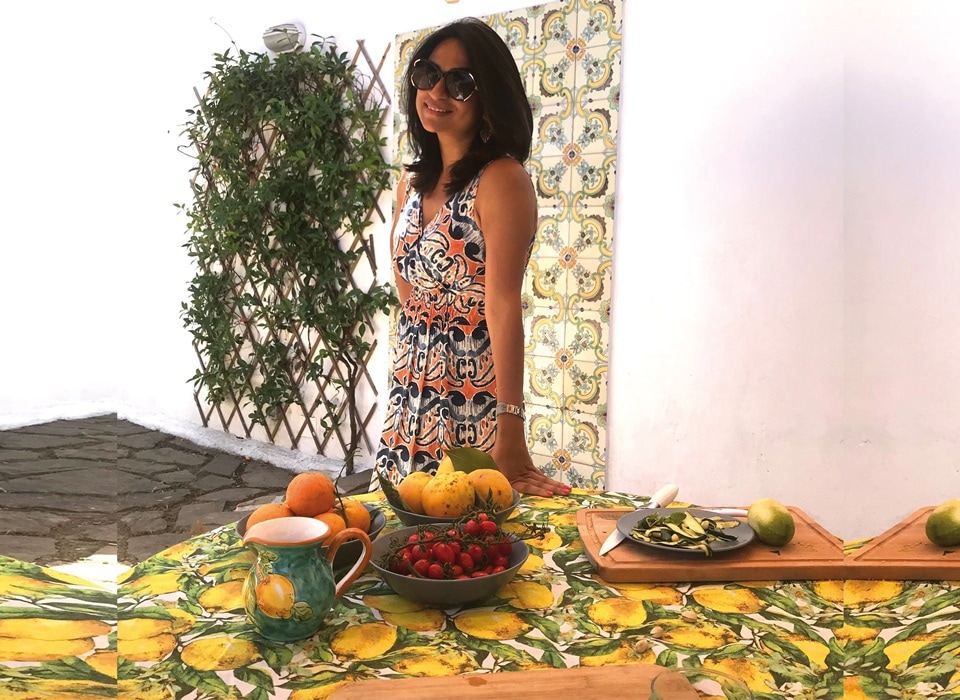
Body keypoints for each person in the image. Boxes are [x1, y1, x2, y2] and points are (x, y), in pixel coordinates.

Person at [376, 18, 569, 497]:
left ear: (488, 99)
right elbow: (407, 291)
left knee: (468, 541)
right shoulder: (410, 184)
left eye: (460, 81)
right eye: (427, 74)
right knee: (408, 537)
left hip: (470, 397)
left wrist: (510, 432)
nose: (437, 90)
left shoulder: (501, 179)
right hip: (409, 392)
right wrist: (410, 373)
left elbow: (502, 306)